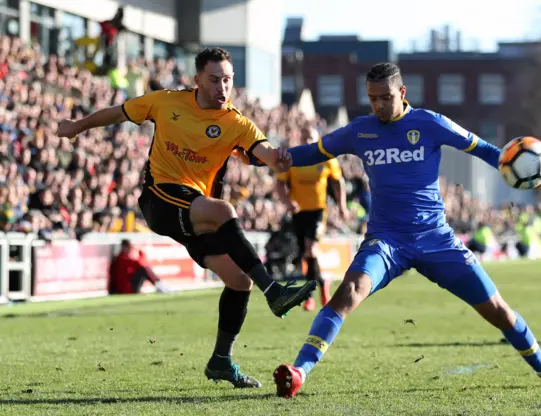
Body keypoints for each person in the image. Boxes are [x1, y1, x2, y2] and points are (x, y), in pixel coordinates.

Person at [272, 62, 541, 399]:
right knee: (348, 293)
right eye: (372, 99)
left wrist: (525, 168)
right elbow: (312, 152)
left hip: (436, 239)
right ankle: (299, 372)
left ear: (402, 93)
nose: (379, 106)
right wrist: (267, 156)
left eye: (386, 98)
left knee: (497, 309)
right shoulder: (360, 131)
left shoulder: (430, 123)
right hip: (386, 241)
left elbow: (483, 149)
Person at [56, 47, 316, 389]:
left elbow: (264, 152)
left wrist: (280, 160)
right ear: (197, 80)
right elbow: (119, 113)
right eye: (214, 80)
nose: (222, 87)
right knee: (224, 210)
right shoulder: (166, 102)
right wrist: (76, 126)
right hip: (160, 199)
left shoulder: (235, 122)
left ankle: (221, 361)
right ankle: (274, 290)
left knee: (239, 280)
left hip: (195, 211)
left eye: (227, 80)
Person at [275, 125, 349, 311]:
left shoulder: (326, 159)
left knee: (311, 248)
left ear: (317, 139)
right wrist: (287, 202)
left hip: (318, 211)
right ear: (300, 138)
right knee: (305, 254)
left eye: (311, 138)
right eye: (305, 137)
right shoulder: (293, 158)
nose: (308, 141)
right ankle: (323, 283)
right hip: (298, 212)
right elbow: (280, 183)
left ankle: (309, 295)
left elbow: (338, 182)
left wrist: (341, 206)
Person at [108, 239, 172, 295]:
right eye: (130, 247)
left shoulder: (122, 258)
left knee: (145, 269)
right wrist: (140, 252)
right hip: (125, 289)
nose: (130, 249)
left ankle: (160, 285)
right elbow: (139, 263)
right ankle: (160, 285)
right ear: (125, 247)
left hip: (127, 287)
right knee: (143, 270)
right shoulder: (121, 258)